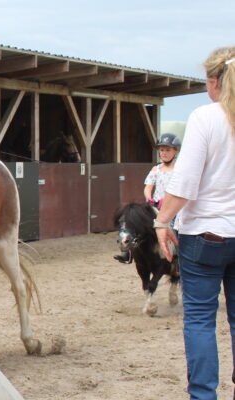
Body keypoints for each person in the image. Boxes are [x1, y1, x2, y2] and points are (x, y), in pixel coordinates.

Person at [156, 46, 235, 400]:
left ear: (215, 80)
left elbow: (184, 182)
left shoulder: (206, 117)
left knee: (201, 319)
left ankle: (203, 395)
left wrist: (162, 220)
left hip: (206, 235)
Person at [113, 132, 181, 263]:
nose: (164, 153)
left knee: (177, 228)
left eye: (168, 150)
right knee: (136, 223)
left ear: (176, 151)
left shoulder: (179, 169)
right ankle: (128, 253)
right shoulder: (156, 169)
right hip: (157, 206)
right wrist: (149, 198)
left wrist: (169, 201)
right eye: (162, 150)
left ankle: (178, 256)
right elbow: (148, 187)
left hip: (174, 207)